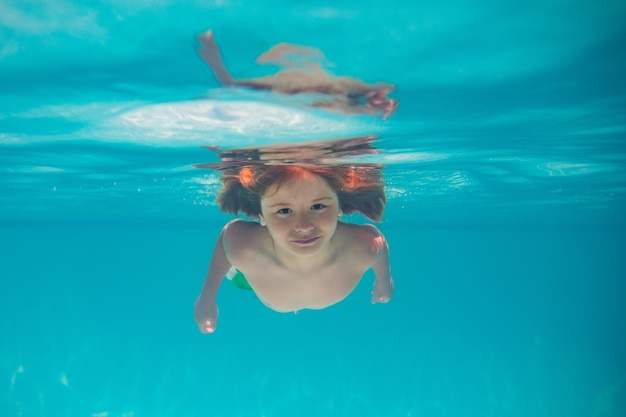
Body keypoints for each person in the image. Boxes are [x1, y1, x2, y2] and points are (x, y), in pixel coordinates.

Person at [193, 163, 394, 334]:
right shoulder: (246, 250)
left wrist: (384, 281)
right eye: (284, 211)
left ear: (339, 207)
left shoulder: (362, 247)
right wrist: (207, 298)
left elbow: (380, 246)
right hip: (252, 281)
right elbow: (225, 240)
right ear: (260, 215)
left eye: (318, 207)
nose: (304, 226)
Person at [196, 29, 398, 119]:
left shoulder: (342, 85)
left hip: (319, 105)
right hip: (327, 103)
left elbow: (230, 84)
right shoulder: (341, 87)